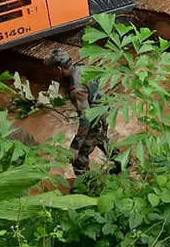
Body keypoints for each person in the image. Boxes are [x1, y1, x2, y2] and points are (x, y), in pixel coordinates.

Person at [45, 49, 120, 177]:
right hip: (104, 111)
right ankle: (124, 164)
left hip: (95, 118)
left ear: (58, 69)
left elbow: (86, 118)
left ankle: (86, 187)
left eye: (52, 70)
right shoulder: (82, 68)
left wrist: (75, 146)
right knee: (101, 140)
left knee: (79, 157)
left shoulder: (76, 88)